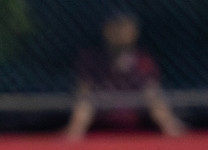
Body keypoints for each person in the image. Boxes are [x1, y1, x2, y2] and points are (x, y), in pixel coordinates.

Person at [63, 11, 186, 140]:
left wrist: (167, 122)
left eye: (125, 28)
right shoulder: (90, 58)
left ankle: (171, 129)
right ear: (106, 30)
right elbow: (84, 92)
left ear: (134, 32)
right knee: (86, 101)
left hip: (136, 122)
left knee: (155, 99)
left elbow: (152, 93)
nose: (121, 33)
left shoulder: (144, 60)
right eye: (116, 27)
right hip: (100, 121)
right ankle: (73, 135)